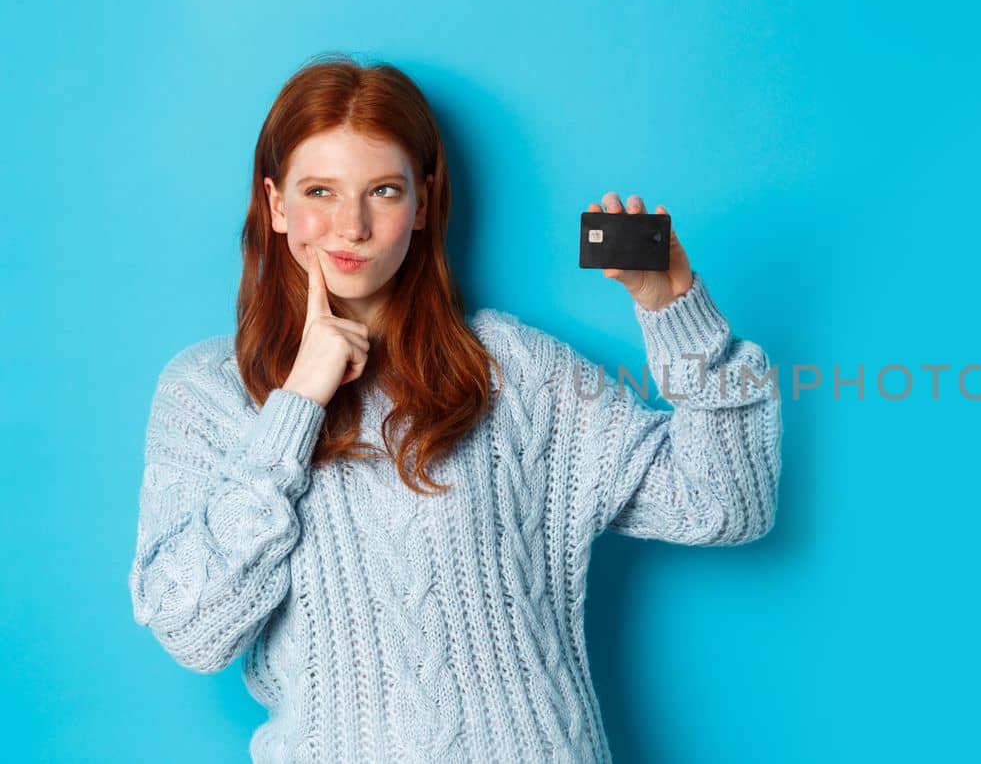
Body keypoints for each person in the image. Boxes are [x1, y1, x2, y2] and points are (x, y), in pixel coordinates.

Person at [127, 53, 782, 763]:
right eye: (319, 190)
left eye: (382, 190)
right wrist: (298, 405)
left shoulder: (516, 368)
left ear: (422, 203)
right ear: (277, 203)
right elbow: (192, 632)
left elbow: (726, 503)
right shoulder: (207, 391)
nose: (350, 226)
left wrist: (672, 308)